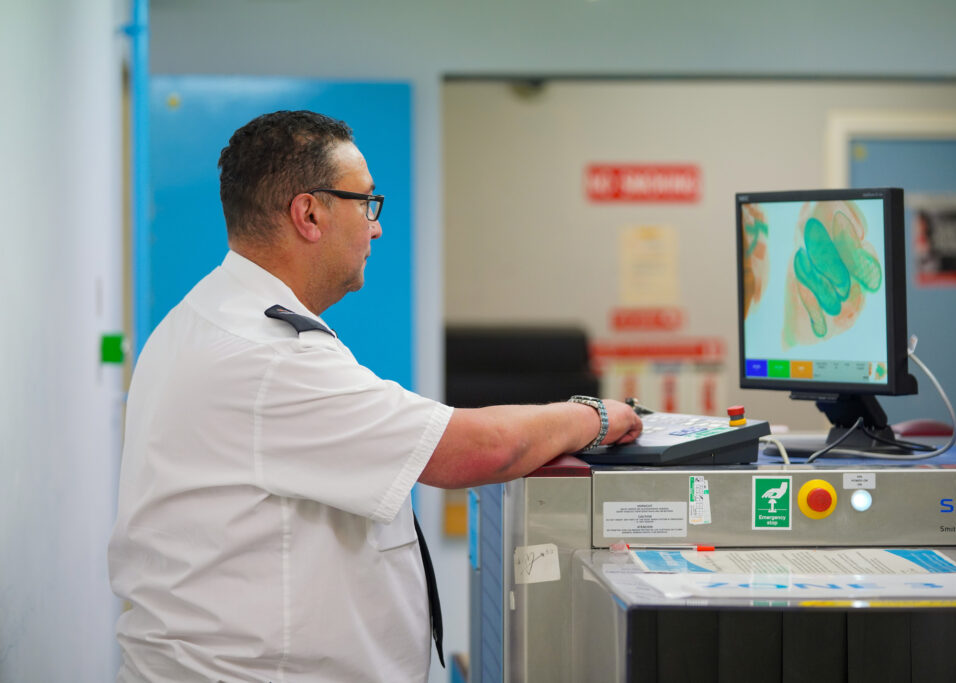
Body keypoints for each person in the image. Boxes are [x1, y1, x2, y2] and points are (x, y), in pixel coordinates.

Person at [108, 110, 642, 682]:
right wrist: (597, 414)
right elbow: (480, 449)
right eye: (366, 203)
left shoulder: (205, 316)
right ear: (309, 213)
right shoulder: (267, 356)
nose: (376, 226)